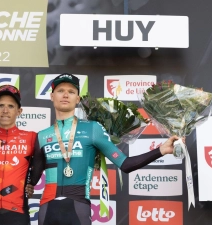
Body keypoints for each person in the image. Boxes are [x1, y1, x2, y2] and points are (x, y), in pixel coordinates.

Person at [28, 73, 180, 225]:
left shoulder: (92, 129)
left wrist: (161, 150)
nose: (66, 95)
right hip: (47, 208)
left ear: (78, 99)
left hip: (78, 207)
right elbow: (32, 179)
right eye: (60, 90)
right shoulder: (42, 136)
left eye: (72, 91)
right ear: (52, 96)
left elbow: (125, 164)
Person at [0, 85, 37, 225]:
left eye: (11, 106)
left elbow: (48, 161)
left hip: (18, 211)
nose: (5, 111)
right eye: (1, 106)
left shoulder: (31, 137)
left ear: (19, 111)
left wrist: (31, 182)